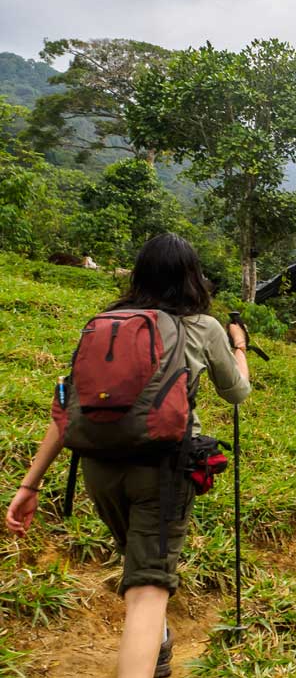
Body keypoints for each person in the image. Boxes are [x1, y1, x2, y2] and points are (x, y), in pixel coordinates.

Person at [6, 233, 251, 678]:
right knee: (148, 585)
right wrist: (239, 347)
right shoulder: (201, 325)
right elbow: (237, 392)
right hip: (163, 470)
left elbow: (67, 406)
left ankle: (156, 648)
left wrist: (30, 484)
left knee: (136, 563)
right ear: (192, 276)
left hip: (99, 470)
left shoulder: (107, 323)